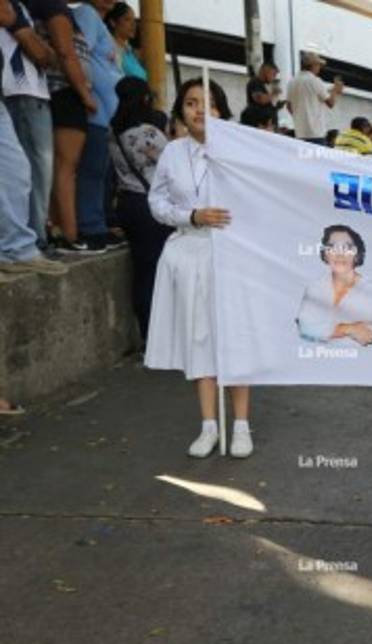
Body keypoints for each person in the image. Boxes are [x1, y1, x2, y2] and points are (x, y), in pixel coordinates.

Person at [145, 79, 254, 458]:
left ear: (221, 111)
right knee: (200, 339)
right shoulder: (172, 153)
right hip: (188, 254)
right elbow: (156, 202)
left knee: (235, 338)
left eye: (208, 104)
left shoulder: (238, 150)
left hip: (230, 257)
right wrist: (191, 215)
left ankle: (241, 425)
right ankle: (209, 425)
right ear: (181, 111)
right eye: (191, 103)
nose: (198, 111)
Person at [0, 0, 65, 274]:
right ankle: (18, 248)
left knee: (17, 169)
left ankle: (16, 249)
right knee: (18, 168)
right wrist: (22, 29)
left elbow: (48, 57)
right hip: (18, 91)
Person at [27, 0, 95, 253]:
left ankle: (57, 229)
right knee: (66, 167)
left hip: (59, 93)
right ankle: (68, 233)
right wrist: (85, 94)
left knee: (59, 167)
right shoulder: (53, 7)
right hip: (66, 93)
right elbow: (66, 52)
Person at [109, 75, 169, 341]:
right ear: (144, 98)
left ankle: (146, 336)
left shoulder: (114, 133)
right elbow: (171, 164)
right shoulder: (149, 134)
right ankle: (159, 336)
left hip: (128, 203)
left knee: (142, 272)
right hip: (150, 206)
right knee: (157, 272)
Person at [72, 0, 123, 251]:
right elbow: (79, 52)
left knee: (101, 173)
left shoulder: (97, 21)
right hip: (95, 110)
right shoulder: (87, 14)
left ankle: (98, 223)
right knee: (92, 171)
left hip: (105, 114)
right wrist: (86, 94)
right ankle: (91, 227)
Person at [295, 225, 372, 344]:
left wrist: (326, 329)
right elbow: (305, 327)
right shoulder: (315, 287)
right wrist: (349, 328)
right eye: (332, 247)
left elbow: (368, 334)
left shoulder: (370, 289)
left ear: (357, 255)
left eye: (347, 248)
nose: (340, 254)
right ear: (325, 254)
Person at [285, 50, 341, 144]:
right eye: (318, 65)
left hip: (300, 133)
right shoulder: (315, 80)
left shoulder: (292, 81)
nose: (319, 68)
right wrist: (335, 90)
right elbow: (331, 103)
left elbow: (289, 107)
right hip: (316, 133)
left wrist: (300, 117)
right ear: (313, 65)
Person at [103, 2, 142, 80]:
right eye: (127, 19)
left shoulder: (130, 51)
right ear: (113, 22)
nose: (133, 24)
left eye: (134, 20)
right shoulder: (109, 48)